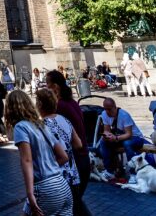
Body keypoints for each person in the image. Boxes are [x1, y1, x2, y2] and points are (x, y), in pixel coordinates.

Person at [4, 89, 72, 216]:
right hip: (62, 185)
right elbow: (64, 156)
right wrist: (49, 166)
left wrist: (30, 193)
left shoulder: (21, 127)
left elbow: (27, 160)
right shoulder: (41, 125)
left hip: (44, 188)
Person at [45, 70, 90, 215]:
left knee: (75, 205)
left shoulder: (60, 107)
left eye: (47, 84)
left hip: (75, 161)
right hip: (84, 158)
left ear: (55, 87)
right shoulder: (72, 102)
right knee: (74, 204)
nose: (46, 87)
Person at [36, 88, 80, 212]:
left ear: (39, 104)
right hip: (73, 176)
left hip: (54, 180)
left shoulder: (40, 125)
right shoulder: (64, 119)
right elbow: (78, 144)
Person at [96, 96, 145, 179]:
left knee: (127, 143)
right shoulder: (104, 114)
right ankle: (109, 171)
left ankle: (133, 173)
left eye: (109, 109)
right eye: (105, 109)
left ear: (115, 107)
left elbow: (129, 134)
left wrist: (115, 138)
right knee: (103, 142)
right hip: (120, 137)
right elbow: (106, 130)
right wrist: (106, 135)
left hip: (136, 138)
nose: (107, 111)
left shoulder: (124, 115)